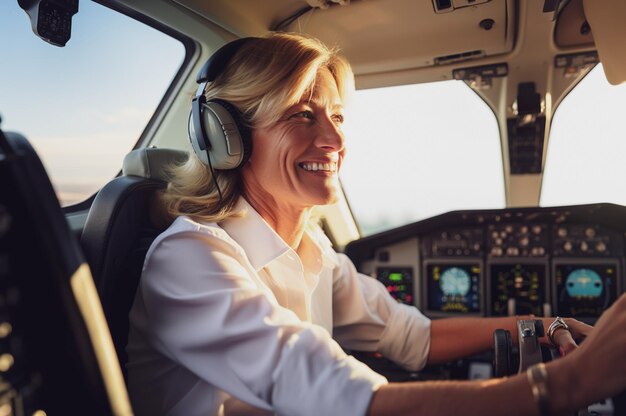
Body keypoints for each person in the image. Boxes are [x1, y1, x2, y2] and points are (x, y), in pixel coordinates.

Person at [126, 32, 626, 416]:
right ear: (226, 135)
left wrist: (536, 325)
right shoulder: (191, 257)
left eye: (337, 117)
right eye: (302, 115)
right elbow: (339, 394)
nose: (333, 140)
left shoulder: (313, 251)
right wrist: (569, 383)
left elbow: (414, 337)